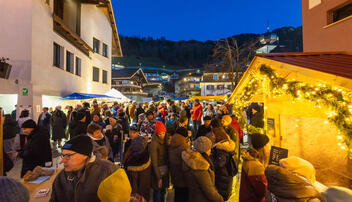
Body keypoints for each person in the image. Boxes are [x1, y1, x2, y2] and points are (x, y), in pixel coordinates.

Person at [50, 135, 117, 202]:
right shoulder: (62, 177)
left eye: (68, 156)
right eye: (63, 155)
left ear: (85, 155)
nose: (62, 161)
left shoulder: (108, 171)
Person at [182, 136, 224, 202]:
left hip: (193, 197)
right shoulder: (201, 166)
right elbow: (209, 191)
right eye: (209, 148)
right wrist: (220, 199)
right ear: (204, 150)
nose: (210, 151)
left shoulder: (191, 159)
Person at [239, 133, 270, 202]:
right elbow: (263, 191)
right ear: (261, 147)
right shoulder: (255, 165)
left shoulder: (250, 160)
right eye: (267, 145)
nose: (269, 148)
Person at [168, 116, 190, 202]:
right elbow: (187, 161)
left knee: (177, 194)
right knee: (183, 196)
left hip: (174, 174)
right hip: (182, 176)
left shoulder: (173, 141)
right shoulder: (183, 146)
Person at [210, 128, 236, 201]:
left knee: (221, 197)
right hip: (225, 176)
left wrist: (210, 159)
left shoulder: (221, 148)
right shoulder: (225, 145)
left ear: (218, 136)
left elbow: (220, 164)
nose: (212, 136)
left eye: (213, 135)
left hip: (222, 177)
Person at [123, 135, 151, 201]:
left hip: (134, 197)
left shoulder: (129, 159)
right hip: (145, 195)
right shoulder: (147, 158)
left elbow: (133, 183)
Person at [150, 121, 169, 202]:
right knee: (157, 193)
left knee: (163, 193)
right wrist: (159, 177)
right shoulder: (154, 144)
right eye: (160, 134)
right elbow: (154, 162)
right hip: (157, 172)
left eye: (163, 133)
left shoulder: (166, 141)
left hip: (165, 171)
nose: (162, 135)